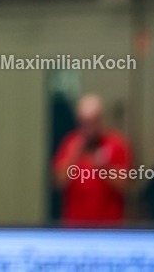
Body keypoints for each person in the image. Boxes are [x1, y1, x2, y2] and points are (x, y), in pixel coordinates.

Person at [52, 93, 130, 225]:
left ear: (100, 121)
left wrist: (104, 166)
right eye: (84, 123)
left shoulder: (117, 144)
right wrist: (74, 157)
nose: (88, 129)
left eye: (92, 122)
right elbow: (58, 182)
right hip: (75, 229)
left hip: (110, 229)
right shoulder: (70, 143)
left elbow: (125, 185)